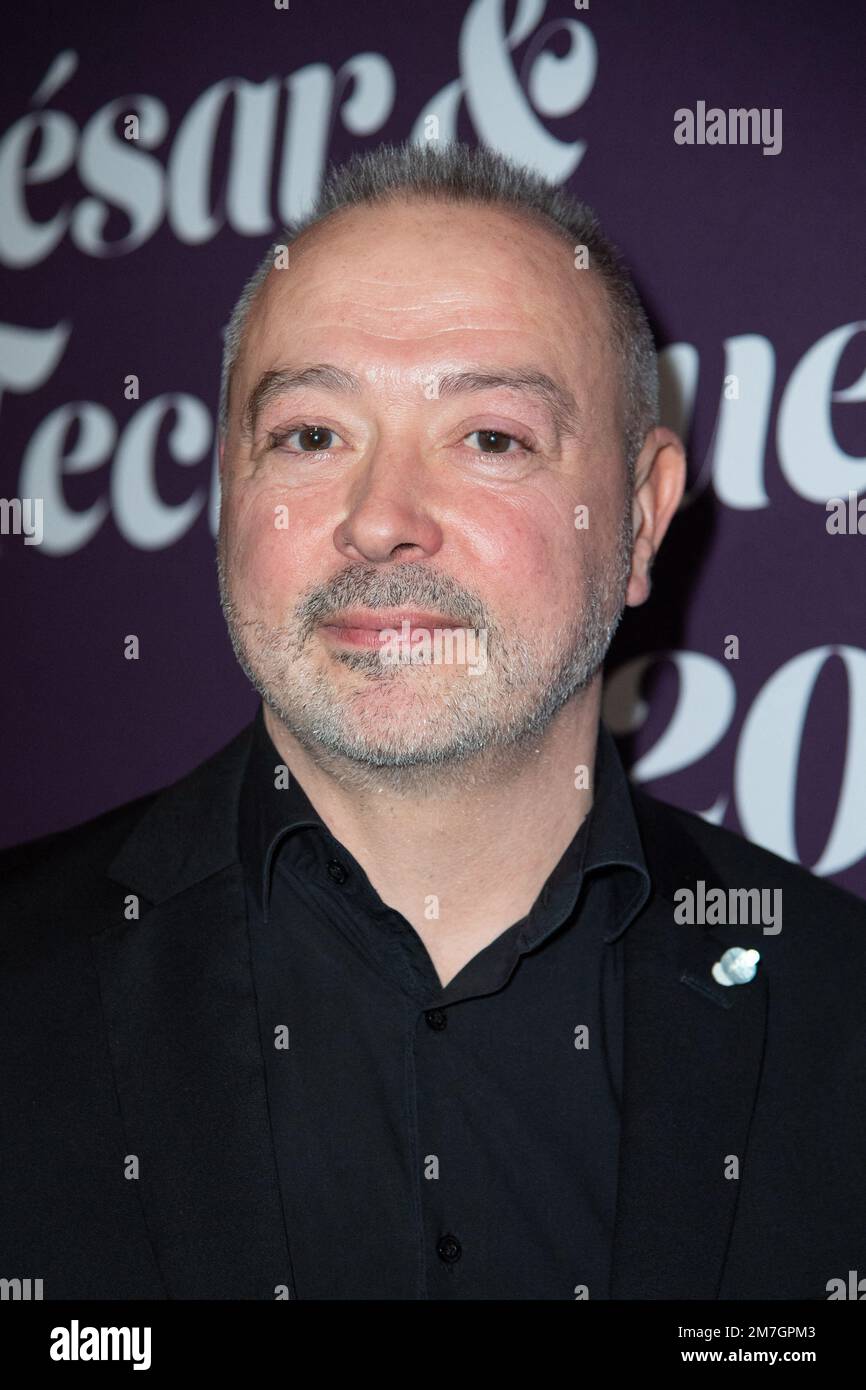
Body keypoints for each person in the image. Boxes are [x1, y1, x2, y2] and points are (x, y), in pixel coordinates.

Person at [2, 141, 864, 1301]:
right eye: (310, 435)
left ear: (642, 520)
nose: (379, 520)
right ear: (224, 495)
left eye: (490, 439)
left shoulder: (838, 1013)